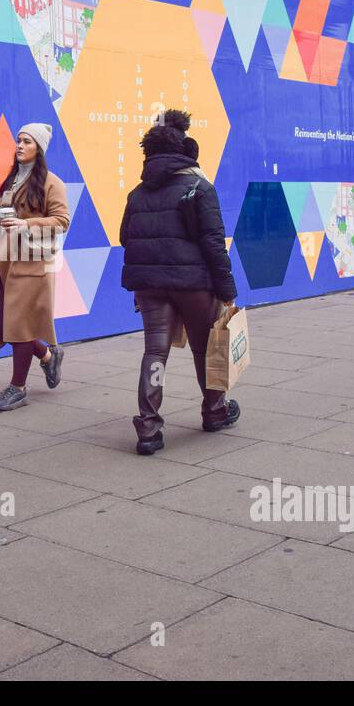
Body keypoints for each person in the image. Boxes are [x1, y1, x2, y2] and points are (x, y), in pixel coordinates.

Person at [119, 110, 240, 455]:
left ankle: (149, 426)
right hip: (193, 285)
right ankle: (215, 410)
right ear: (185, 150)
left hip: (151, 286)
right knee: (205, 349)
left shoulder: (137, 194)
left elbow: (126, 236)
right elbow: (214, 243)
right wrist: (227, 290)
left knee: (154, 352)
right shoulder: (200, 187)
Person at [0, 122, 70, 411]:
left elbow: (61, 221)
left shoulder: (52, 182)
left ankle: (18, 387)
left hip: (31, 263)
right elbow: (3, 222)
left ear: (39, 148)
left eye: (27, 142)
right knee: (4, 322)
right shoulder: (12, 180)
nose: (20, 146)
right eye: (18, 140)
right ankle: (49, 357)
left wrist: (27, 224)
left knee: (19, 325)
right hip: (5, 263)